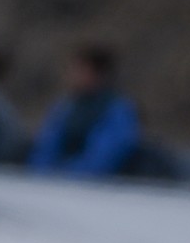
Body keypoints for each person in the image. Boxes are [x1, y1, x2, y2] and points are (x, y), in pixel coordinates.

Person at [28, 45, 139, 177]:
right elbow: (46, 146)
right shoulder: (66, 106)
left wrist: (65, 176)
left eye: (82, 71)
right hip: (54, 183)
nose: (74, 76)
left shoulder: (118, 111)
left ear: (100, 75)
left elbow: (103, 158)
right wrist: (41, 175)